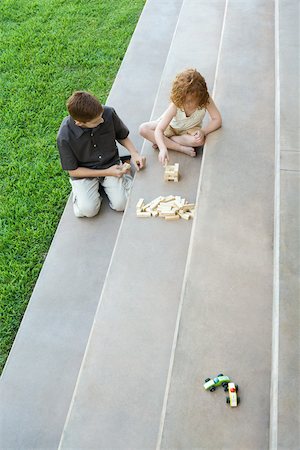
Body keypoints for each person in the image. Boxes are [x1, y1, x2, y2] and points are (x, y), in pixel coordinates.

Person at [57, 91, 145, 218]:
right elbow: (73, 172)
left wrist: (134, 153)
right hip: (85, 173)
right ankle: (83, 193)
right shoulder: (64, 136)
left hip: (110, 163)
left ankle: (116, 181)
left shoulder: (107, 113)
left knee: (122, 204)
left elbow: (122, 135)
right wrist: (107, 173)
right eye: (96, 121)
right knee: (88, 211)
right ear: (79, 123)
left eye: (101, 116)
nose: (102, 120)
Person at [139, 68, 222, 165]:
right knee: (143, 129)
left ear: (200, 96)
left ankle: (166, 140)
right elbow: (159, 130)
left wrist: (203, 131)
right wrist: (162, 148)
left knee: (199, 141)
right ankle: (179, 147)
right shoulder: (176, 105)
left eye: (190, 101)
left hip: (190, 129)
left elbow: (217, 119)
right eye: (184, 100)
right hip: (170, 127)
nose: (187, 104)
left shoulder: (205, 100)